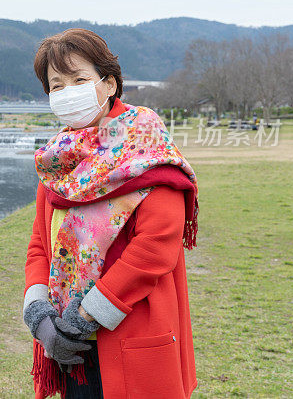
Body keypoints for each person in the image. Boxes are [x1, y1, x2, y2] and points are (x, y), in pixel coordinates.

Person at [23, 28, 200, 399]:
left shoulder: (145, 147)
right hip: (67, 344)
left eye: (79, 79)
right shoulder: (59, 162)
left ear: (109, 84)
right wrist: (39, 315)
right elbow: (41, 244)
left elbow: (155, 247)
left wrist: (84, 317)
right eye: (56, 85)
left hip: (129, 329)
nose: (68, 92)